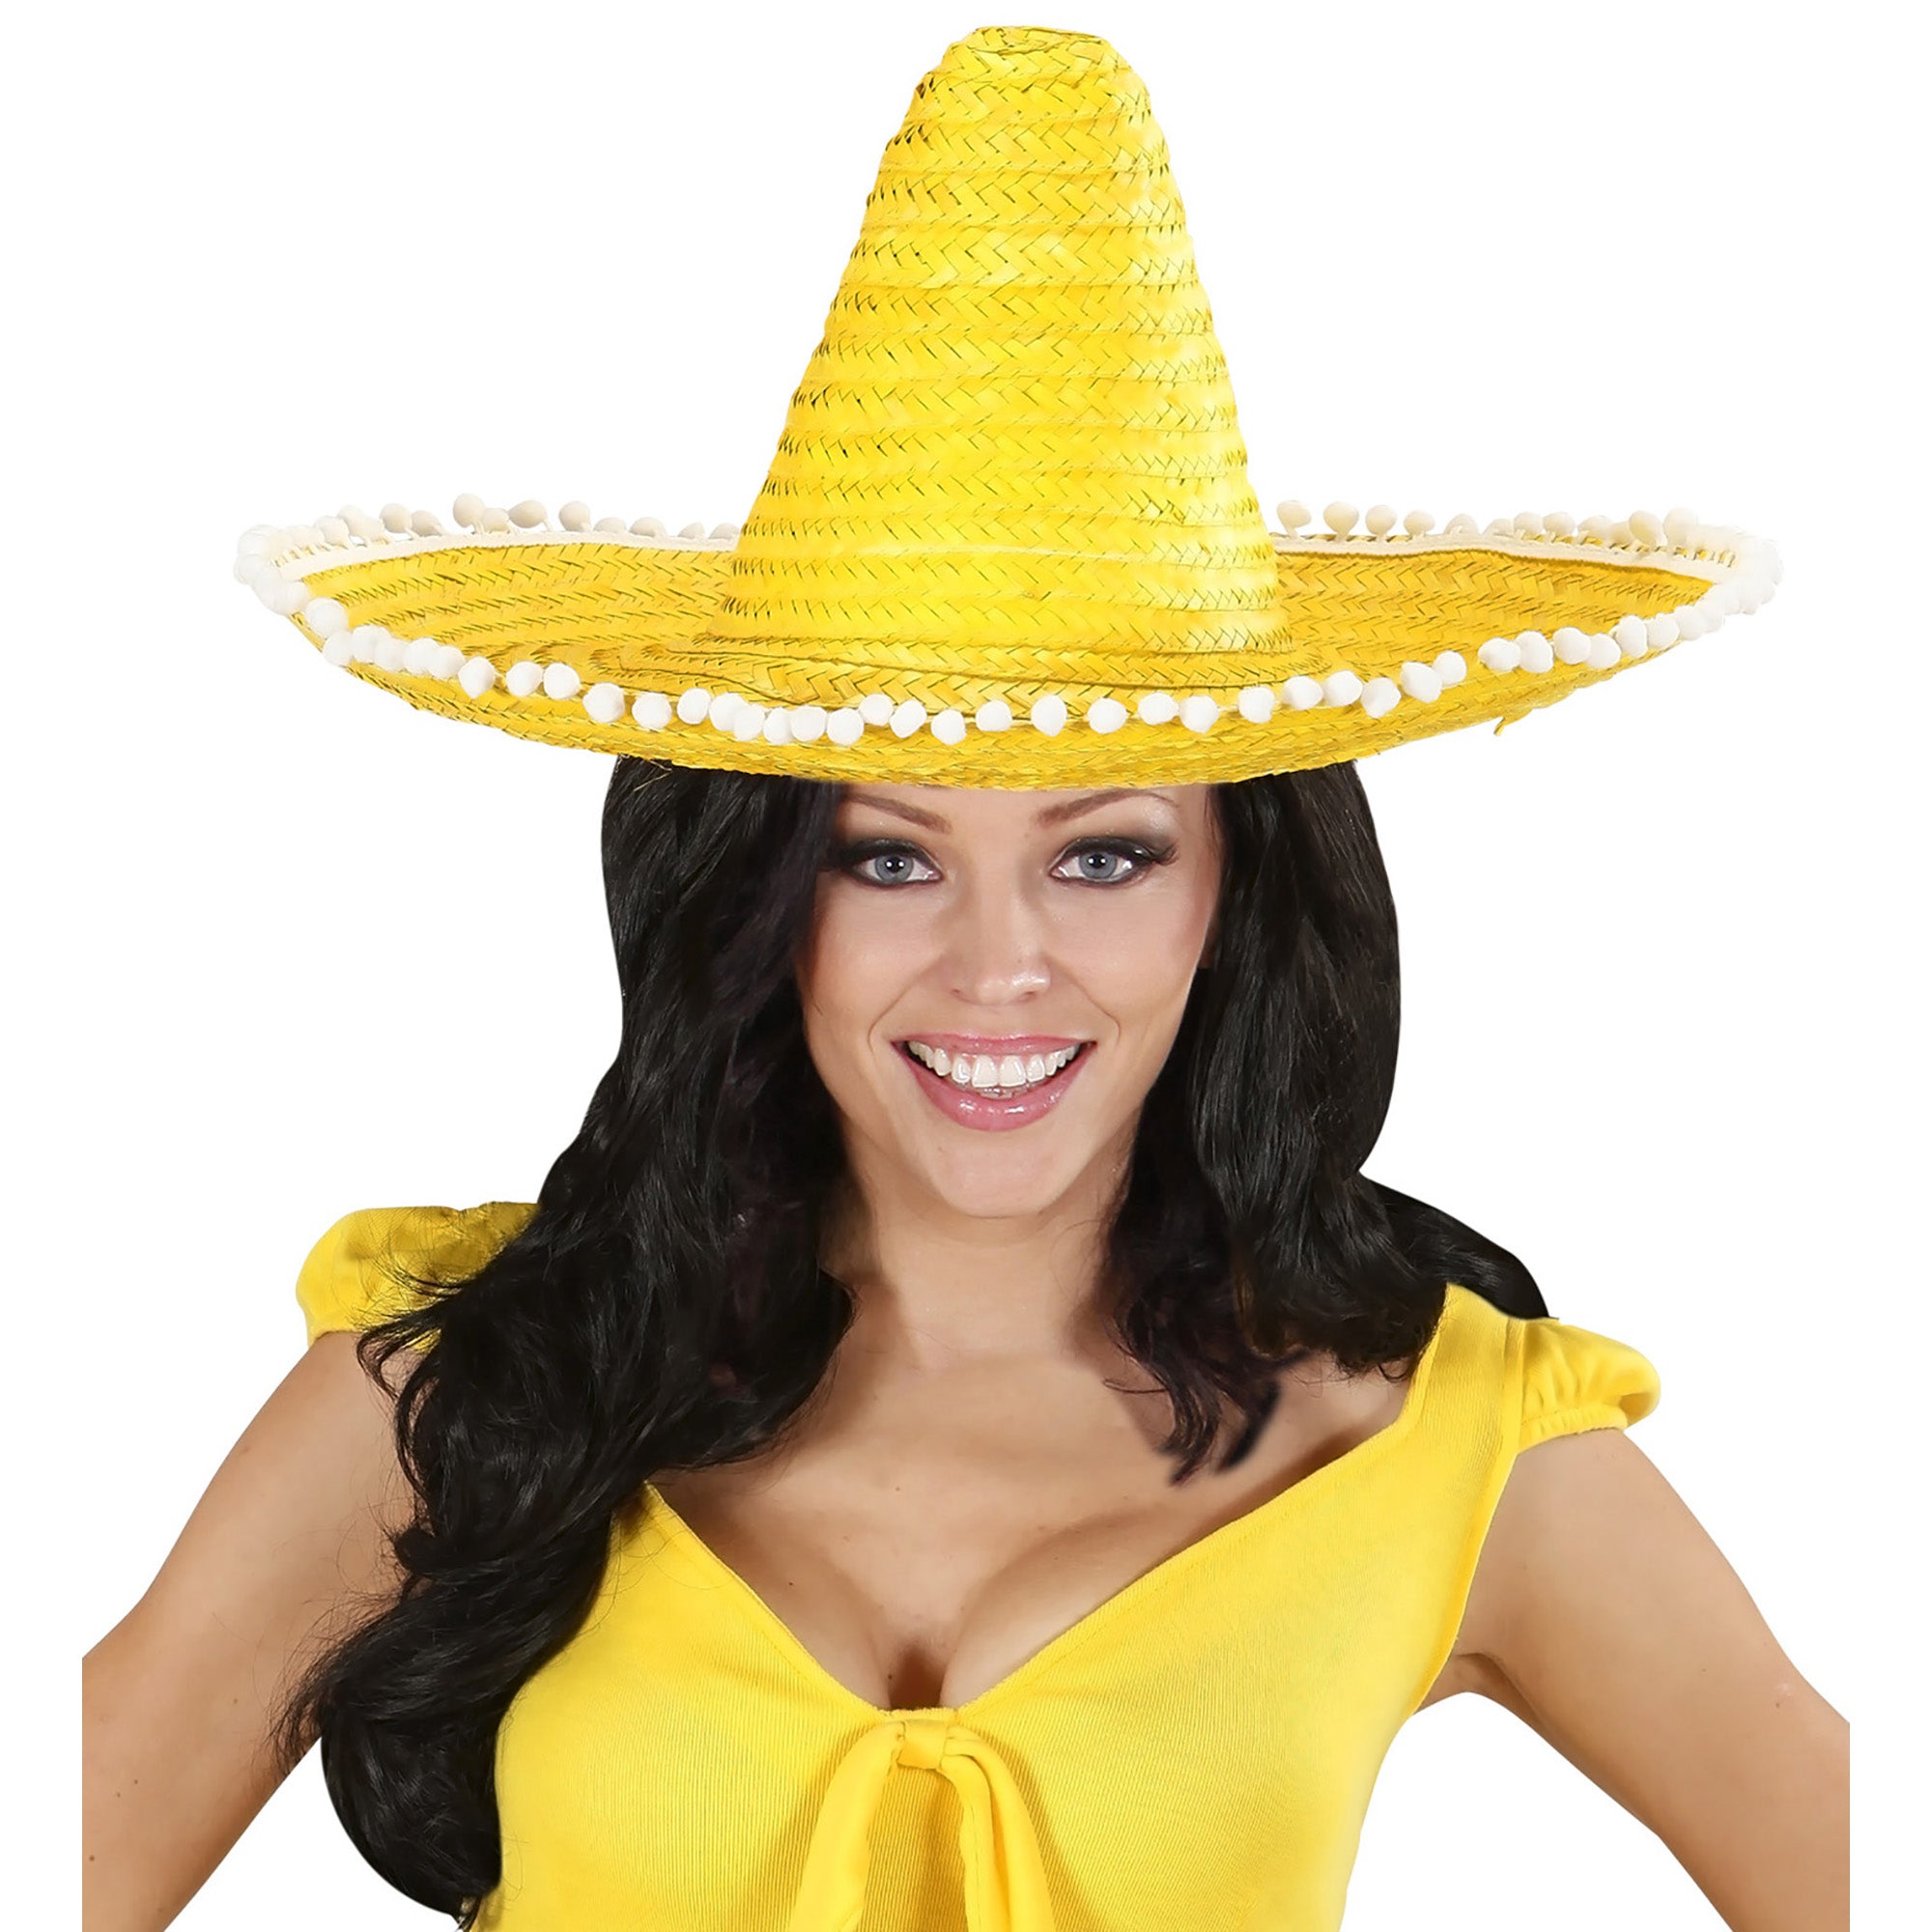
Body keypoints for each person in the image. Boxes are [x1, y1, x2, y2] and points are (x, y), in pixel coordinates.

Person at [82, 23, 1843, 1932]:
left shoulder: (1453, 1449)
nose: (1000, 966)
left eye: (1103, 854)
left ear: (1233, 888)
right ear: (764, 896)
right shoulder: (458, 1394)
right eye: (888, 854)